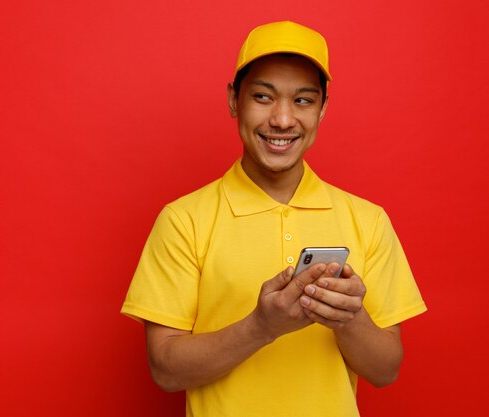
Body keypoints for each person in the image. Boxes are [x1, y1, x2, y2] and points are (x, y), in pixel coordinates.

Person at [121, 21, 426, 417]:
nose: (282, 120)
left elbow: (385, 371)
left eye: (303, 101)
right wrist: (262, 327)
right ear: (234, 100)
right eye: (263, 97)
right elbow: (164, 369)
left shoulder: (368, 220)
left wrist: (349, 319)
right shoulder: (183, 220)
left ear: (323, 109)